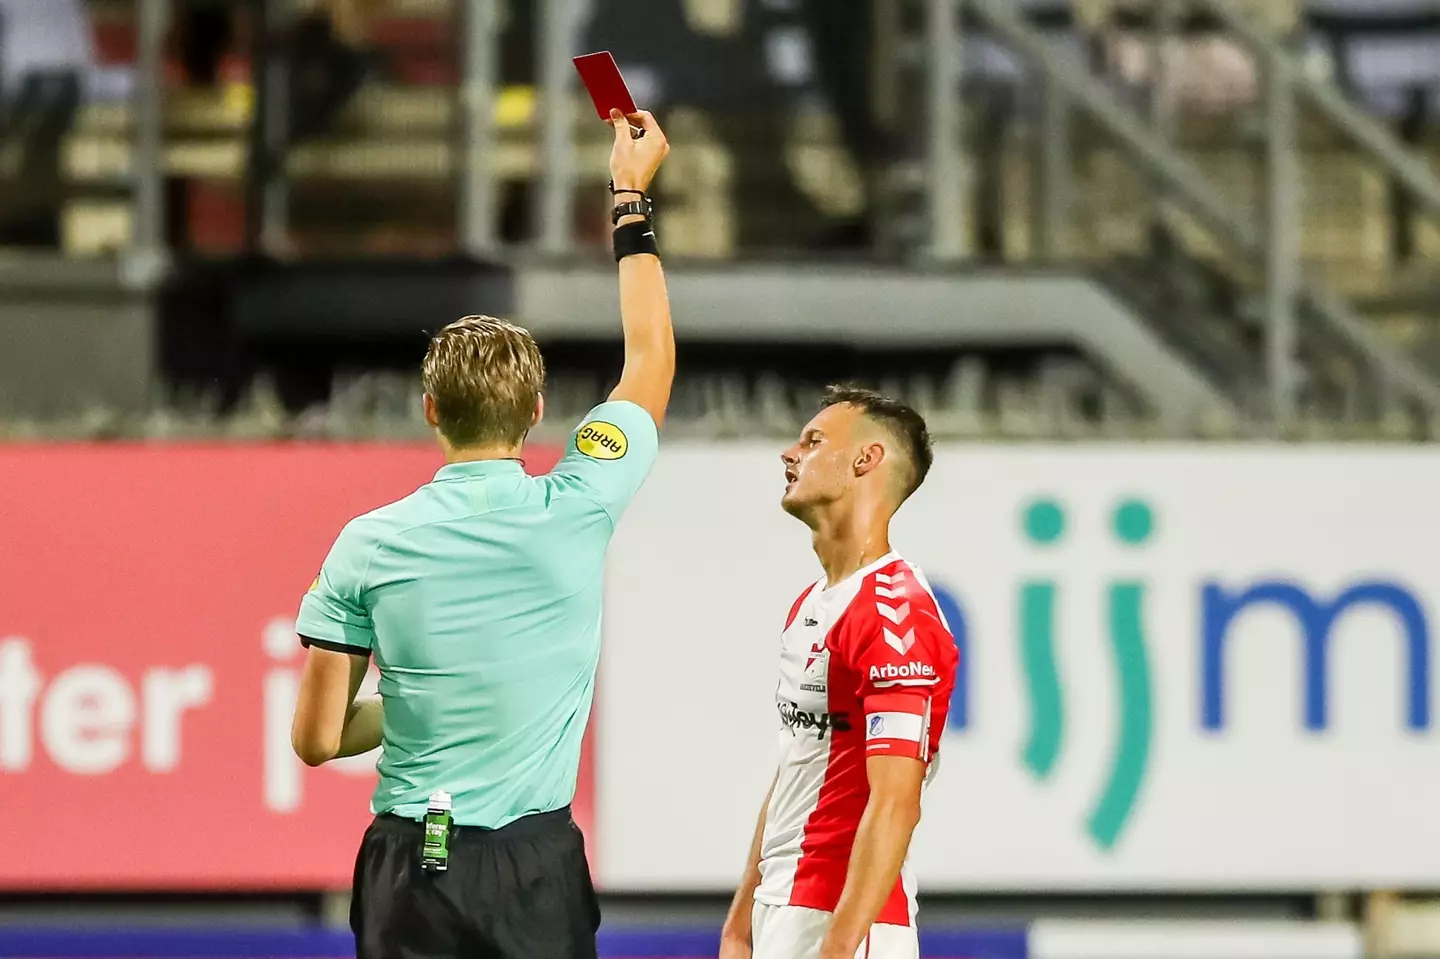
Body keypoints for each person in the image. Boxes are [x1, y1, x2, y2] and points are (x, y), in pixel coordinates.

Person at [288, 108, 672, 959]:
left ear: (431, 413)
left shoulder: (368, 542)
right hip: (533, 867)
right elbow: (648, 363)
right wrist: (629, 197)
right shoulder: (578, 503)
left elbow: (315, 739)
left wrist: (419, 704)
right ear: (537, 411)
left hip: (407, 867)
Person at [719, 387, 959, 959]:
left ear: (865, 461)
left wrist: (838, 948)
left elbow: (896, 802)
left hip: (844, 927)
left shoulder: (894, 614)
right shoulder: (811, 602)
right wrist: (740, 922)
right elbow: (795, 767)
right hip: (785, 911)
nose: (789, 453)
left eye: (813, 440)